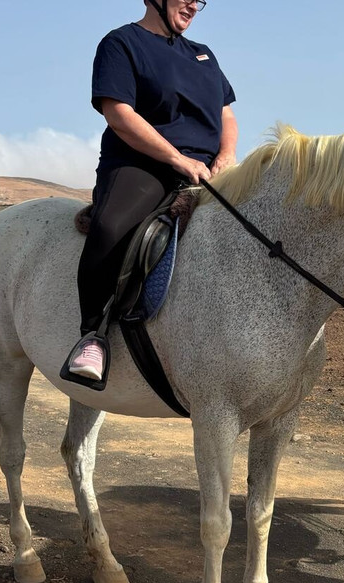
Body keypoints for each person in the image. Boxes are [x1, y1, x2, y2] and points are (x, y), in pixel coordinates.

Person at [65, 0, 238, 383]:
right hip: (142, 165)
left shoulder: (203, 54)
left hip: (207, 171)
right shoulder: (121, 43)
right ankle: (92, 335)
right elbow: (119, 114)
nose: (195, 4)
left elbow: (226, 113)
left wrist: (226, 155)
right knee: (110, 228)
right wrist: (178, 159)